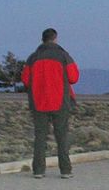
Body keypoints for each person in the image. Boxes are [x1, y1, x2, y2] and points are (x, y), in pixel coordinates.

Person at [21, 28, 80, 179]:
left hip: (38, 102)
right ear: (55, 38)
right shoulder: (63, 55)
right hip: (60, 101)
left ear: (42, 39)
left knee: (40, 137)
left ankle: (38, 170)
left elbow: (25, 79)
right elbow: (74, 77)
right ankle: (65, 170)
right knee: (62, 137)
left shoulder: (33, 58)